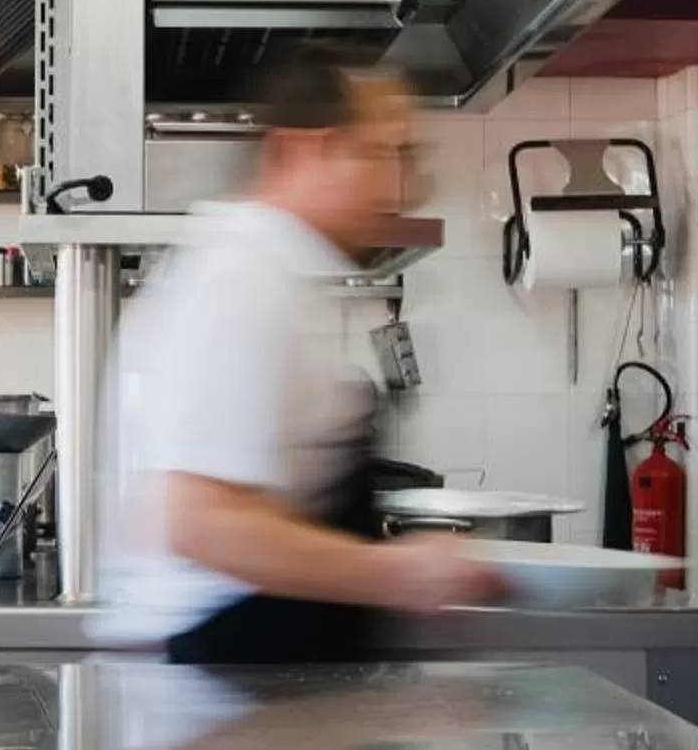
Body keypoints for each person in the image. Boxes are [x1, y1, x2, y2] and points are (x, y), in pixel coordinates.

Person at [94, 58, 504, 664]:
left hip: (257, 688)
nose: (403, 187)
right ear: (298, 151)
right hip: (220, 693)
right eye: (377, 154)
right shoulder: (239, 279)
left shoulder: (274, 275)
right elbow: (198, 522)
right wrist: (398, 573)